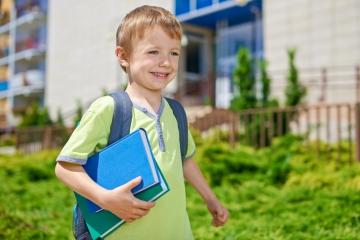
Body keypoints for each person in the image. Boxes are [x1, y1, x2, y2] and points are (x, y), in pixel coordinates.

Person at [55, 5, 228, 240]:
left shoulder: (176, 111)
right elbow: (65, 167)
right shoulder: (109, 109)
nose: (166, 62)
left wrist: (211, 199)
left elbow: (185, 160)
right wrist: (106, 199)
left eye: (174, 53)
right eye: (153, 52)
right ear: (123, 56)